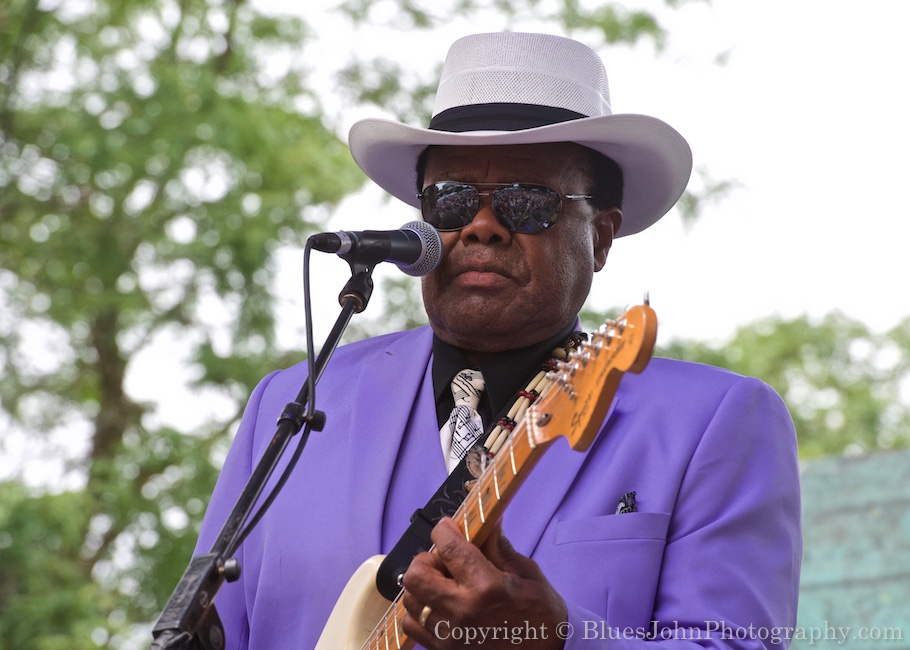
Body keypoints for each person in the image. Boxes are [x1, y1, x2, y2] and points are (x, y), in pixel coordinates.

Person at [193, 32, 801, 649]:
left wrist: (556, 642)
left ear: (602, 238)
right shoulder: (291, 402)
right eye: (452, 200)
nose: (482, 225)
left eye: (526, 201)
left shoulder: (716, 420)